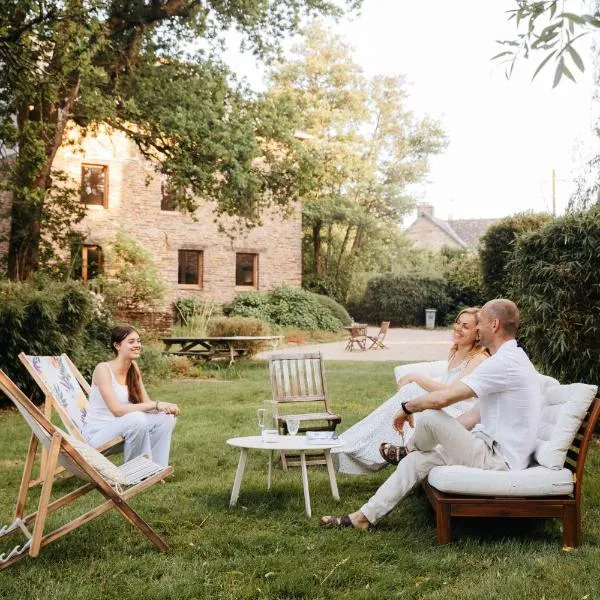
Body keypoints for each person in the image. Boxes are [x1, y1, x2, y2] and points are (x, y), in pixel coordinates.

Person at [320, 299, 542, 530]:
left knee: (430, 415)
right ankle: (362, 517)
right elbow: (472, 416)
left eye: (481, 323)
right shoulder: (509, 359)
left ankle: (406, 449)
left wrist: (408, 408)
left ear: (494, 324)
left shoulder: (503, 363)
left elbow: (445, 398)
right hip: (486, 448)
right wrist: (441, 438)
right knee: (417, 460)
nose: (477, 328)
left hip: (499, 459)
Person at [333, 307, 488, 475]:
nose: (458, 328)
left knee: (413, 390)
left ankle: (351, 445)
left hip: (462, 413)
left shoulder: (479, 358)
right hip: (445, 405)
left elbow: (452, 391)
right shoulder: (456, 352)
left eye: (465, 326)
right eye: (457, 323)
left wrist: (416, 377)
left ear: (478, 333)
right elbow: (444, 385)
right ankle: (357, 446)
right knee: (410, 393)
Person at [83, 325, 180, 467]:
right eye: (131, 341)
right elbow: (117, 410)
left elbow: (145, 403)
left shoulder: (133, 367)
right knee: (137, 418)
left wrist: (165, 408)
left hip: (124, 428)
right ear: (117, 345)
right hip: (98, 434)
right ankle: (136, 471)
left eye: (138, 341)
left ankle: (157, 469)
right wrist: (156, 404)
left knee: (165, 419)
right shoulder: (103, 369)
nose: (137, 345)